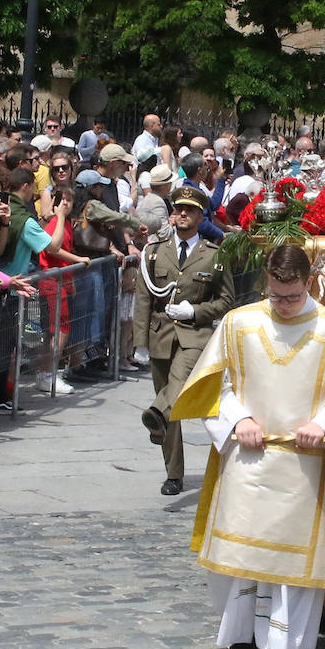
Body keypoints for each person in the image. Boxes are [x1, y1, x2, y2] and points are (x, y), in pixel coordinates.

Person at [170, 245, 325, 649]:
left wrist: (321, 422)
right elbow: (218, 384)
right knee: (238, 558)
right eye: (275, 295)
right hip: (249, 455)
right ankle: (240, 638)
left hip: (303, 463)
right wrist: (238, 419)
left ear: (309, 282)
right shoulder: (241, 323)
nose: (283, 305)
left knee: (289, 566)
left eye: (291, 296)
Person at [133, 186, 235, 496]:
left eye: (189, 210)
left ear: (201, 216)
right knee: (170, 409)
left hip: (194, 335)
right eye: (177, 208)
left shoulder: (214, 255)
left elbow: (226, 301)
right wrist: (140, 342)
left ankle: (155, 414)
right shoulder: (153, 252)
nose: (181, 214)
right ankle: (173, 473)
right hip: (161, 334)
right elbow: (143, 299)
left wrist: (196, 311)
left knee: (174, 389)